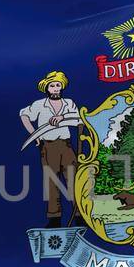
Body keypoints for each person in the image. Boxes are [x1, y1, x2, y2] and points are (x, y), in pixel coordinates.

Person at [20, 71, 79, 227]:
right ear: (47, 88)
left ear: (62, 86)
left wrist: (63, 118)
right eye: (52, 85)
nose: (55, 88)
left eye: (58, 85)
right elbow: (24, 115)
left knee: (74, 180)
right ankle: (55, 218)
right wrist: (34, 135)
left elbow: (79, 121)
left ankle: (79, 214)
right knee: (51, 182)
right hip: (48, 146)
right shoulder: (39, 104)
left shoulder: (69, 103)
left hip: (66, 145)